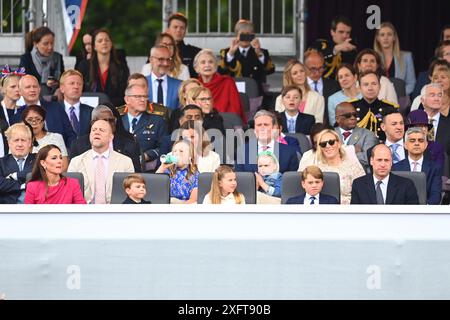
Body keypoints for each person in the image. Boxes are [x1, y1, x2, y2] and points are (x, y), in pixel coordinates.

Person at [67, 119, 134, 204]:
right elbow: (70, 193)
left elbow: (132, 193)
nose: (97, 132)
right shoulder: (76, 162)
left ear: (111, 137)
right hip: (85, 212)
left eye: (102, 130)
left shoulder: (125, 162)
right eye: (94, 130)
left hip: (115, 212)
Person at [69, 103, 142, 173]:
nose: (108, 124)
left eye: (111, 120)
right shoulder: (78, 146)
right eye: (104, 120)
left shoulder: (130, 146)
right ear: (93, 123)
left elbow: (136, 178)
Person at [218, 19, 275, 96]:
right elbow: (220, 71)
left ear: (253, 36)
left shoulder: (261, 52)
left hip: (255, 92)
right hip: (233, 92)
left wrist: (259, 54)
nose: (245, 38)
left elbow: (270, 70)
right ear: (236, 36)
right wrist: (231, 54)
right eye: (242, 35)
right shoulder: (227, 52)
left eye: (248, 35)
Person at [17, 75, 76, 147]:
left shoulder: (56, 108)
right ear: (20, 91)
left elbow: (70, 136)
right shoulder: (17, 116)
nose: (32, 90)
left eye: (35, 86)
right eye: (28, 87)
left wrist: (67, 155)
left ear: (39, 89)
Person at [77, 29, 130, 107]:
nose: (104, 43)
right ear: (94, 46)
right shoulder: (84, 65)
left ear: (111, 44)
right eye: (100, 41)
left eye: (107, 40)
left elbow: (125, 93)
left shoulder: (121, 67)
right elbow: (80, 91)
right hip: (91, 110)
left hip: (115, 110)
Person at [351, 144, 419, 204]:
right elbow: (355, 215)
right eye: (379, 160)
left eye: (386, 160)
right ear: (371, 161)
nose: (383, 165)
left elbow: (413, 215)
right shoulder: (359, 185)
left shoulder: (406, 185)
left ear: (391, 162)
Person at [311, 129, 365, 204]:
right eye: (323, 144)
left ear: (339, 143)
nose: (328, 146)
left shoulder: (352, 166)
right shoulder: (316, 169)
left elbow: (363, 191)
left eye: (331, 142)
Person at [235, 110, 299, 173]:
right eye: (259, 125)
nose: (262, 128)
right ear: (254, 129)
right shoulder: (242, 151)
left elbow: (291, 181)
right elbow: (241, 179)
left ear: (274, 128)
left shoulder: (289, 152)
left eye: (266, 125)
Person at [122, 84, 167, 172]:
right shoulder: (118, 121)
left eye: (145, 96)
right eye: (138, 96)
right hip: (122, 169)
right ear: (127, 99)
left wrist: (147, 156)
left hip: (148, 170)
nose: (143, 100)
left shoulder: (157, 121)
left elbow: (164, 148)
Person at [393, 128, 442, 205]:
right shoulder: (395, 168)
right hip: (402, 212)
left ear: (426, 145)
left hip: (426, 212)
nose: (416, 143)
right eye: (412, 140)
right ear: (405, 145)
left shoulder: (434, 168)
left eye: (420, 141)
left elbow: (436, 194)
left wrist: (423, 210)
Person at [194, 49, 246, 122]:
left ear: (215, 66)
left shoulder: (227, 82)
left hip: (225, 122)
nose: (207, 65)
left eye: (211, 62)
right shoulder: (194, 85)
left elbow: (235, 108)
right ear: (196, 68)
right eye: (203, 62)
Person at [351, 70, 398, 141]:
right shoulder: (351, 107)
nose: (370, 88)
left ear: (380, 86)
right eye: (366, 84)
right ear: (360, 88)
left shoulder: (389, 108)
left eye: (374, 84)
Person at [275, 59, 324, 124]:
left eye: (302, 71)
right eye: (295, 73)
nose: (299, 74)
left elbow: (318, 124)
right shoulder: (280, 99)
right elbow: (278, 123)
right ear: (289, 77)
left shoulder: (318, 98)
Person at [373, 22, 416, 96]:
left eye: (389, 34)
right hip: (377, 98)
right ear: (378, 38)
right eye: (382, 35)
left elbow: (411, 83)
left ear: (394, 38)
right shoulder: (373, 57)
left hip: (400, 100)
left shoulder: (406, 56)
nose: (385, 38)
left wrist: (396, 95)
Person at [19, 26, 64, 95]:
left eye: (52, 43)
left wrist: (59, 89)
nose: (50, 47)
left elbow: (63, 80)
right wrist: (44, 84)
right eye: (45, 44)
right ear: (36, 44)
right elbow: (24, 83)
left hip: (55, 99)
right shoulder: (26, 59)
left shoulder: (58, 58)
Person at [308, 15, 357, 80]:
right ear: (332, 32)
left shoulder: (352, 51)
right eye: (341, 32)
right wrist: (336, 49)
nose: (345, 36)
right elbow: (313, 60)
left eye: (348, 33)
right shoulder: (320, 44)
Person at [21, 105, 68, 171]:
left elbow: (64, 166)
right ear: (24, 122)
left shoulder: (56, 137)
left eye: (38, 119)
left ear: (43, 122)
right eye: (30, 120)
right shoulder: (19, 140)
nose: (34, 123)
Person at [334, 102, 378, 171]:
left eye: (355, 115)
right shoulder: (330, 134)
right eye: (348, 115)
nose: (353, 118)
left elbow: (368, 158)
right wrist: (351, 150)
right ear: (337, 119)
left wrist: (338, 153)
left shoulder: (368, 135)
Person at [0, 123, 36, 203]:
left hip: (35, 209)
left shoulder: (39, 159)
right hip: (8, 210)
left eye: (23, 140)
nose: (20, 144)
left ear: (30, 142)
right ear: (9, 143)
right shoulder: (1, 162)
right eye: (16, 140)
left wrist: (16, 176)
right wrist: (22, 185)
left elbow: (40, 175)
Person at [303, 49, 340, 124]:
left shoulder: (334, 86)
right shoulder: (298, 87)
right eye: (313, 69)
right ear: (304, 67)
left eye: (321, 68)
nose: (317, 73)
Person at [145, 45, 182, 110]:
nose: (165, 63)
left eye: (168, 59)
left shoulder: (179, 85)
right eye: (161, 59)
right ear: (151, 60)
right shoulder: (142, 83)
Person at [166, 12, 202, 78]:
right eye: (175, 27)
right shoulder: (158, 52)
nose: (178, 30)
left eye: (182, 28)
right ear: (168, 30)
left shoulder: (196, 52)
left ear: (185, 31)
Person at [59, 69, 93, 137]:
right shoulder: (54, 111)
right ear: (62, 88)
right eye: (72, 83)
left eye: (79, 84)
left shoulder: (91, 112)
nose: (76, 87)